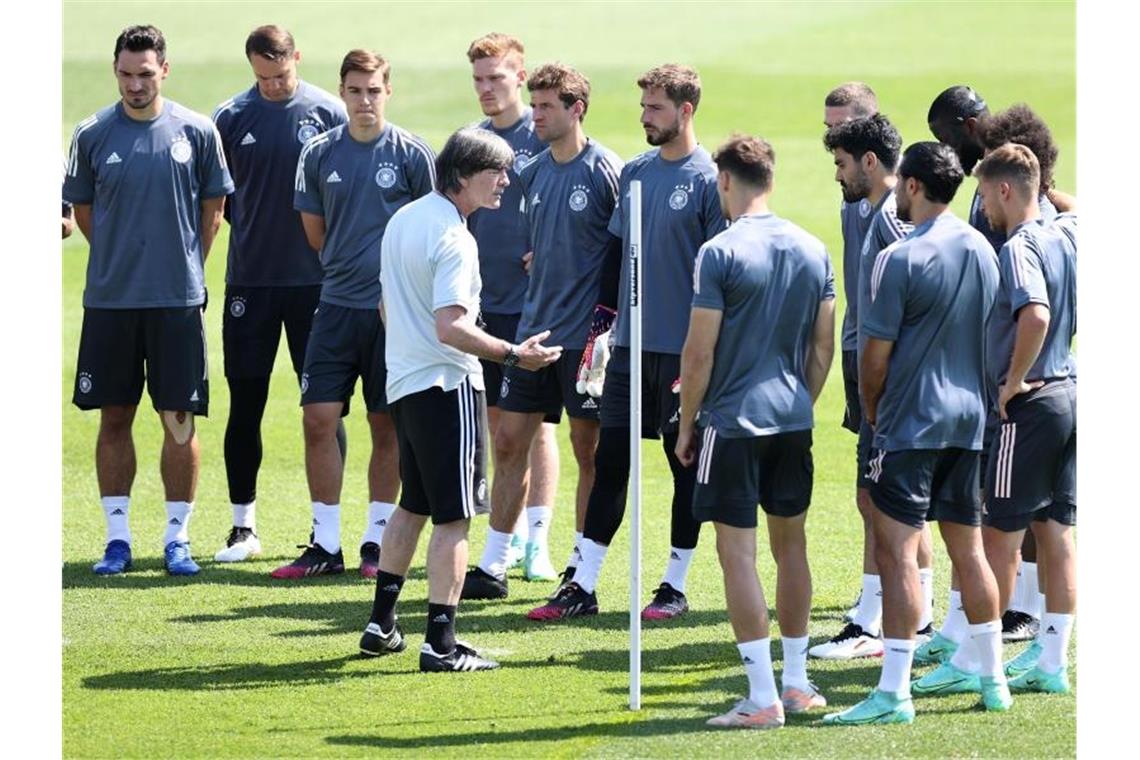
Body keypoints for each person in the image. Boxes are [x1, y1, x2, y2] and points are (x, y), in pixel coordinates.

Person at [526, 64, 726, 621]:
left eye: (655, 108)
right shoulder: (635, 173)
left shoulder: (709, 179)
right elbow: (615, 254)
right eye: (643, 107)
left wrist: (705, 352)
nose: (644, 117)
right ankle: (582, 584)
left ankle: (674, 586)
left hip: (683, 353)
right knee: (611, 459)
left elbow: (720, 273)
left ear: (685, 112)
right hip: (630, 350)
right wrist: (602, 327)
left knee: (681, 461)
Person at [359, 127, 561, 672]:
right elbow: (451, 327)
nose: (506, 181)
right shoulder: (455, 237)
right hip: (447, 386)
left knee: (414, 504)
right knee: (455, 519)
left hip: (402, 383)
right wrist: (515, 354)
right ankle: (440, 645)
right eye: (497, 171)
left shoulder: (405, 220)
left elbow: (385, 307)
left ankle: (382, 624)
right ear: (466, 174)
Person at [824, 142, 1008, 725]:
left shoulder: (897, 258)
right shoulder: (983, 249)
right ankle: (994, 680)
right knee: (970, 551)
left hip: (911, 423)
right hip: (968, 423)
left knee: (897, 552)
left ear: (912, 187)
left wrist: (875, 414)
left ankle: (894, 693)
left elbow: (872, 359)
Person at [676, 133, 835, 728]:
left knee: (735, 554)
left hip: (732, 424)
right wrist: (800, 402)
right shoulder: (814, 248)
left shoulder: (718, 252)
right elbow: (822, 346)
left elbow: (698, 354)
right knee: (790, 547)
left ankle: (762, 697)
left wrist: (687, 424)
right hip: (792, 420)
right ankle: (796, 683)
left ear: (724, 181)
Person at [63, 24, 233, 576]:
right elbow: (84, 213)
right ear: (115, 71)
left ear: (165, 69)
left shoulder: (198, 131)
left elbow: (213, 214)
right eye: (126, 74)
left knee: (178, 417)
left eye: (145, 73)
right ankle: (117, 540)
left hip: (177, 302)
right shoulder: (90, 135)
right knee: (115, 415)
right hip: (111, 302)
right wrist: (120, 257)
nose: (135, 84)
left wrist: (182, 267)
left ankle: (176, 539)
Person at [461, 62, 622, 600]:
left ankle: (581, 566)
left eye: (547, 106)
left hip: (584, 341)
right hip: (534, 331)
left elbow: (622, 252)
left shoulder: (606, 171)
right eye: (535, 104)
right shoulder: (529, 171)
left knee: (587, 447)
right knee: (508, 441)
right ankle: (493, 563)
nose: (536, 114)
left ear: (576, 109)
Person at [274, 49, 435, 579]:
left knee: (385, 423)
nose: (365, 100)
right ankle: (324, 543)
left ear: (388, 91)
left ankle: (374, 542)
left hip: (395, 314)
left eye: (373, 90)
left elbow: (432, 233)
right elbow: (315, 233)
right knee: (318, 418)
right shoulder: (319, 154)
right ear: (341, 92)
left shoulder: (413, 155)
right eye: (355, 90)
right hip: (336, 306)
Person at [210, 25, 349, 565]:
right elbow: (216, 201)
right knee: (246, 404)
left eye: (280, 75)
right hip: (250, 282)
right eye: (262, 76)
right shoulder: (229, 117)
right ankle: (242, 528)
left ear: (297, 59)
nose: (271, 85)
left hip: (318, 286)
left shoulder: (330, 112)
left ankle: (326, 531)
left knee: (324, 409)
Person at [928, 88, 1060, 644]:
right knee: (1040, 512)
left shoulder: (1015, 217)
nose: (949, 153)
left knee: (1006, 511)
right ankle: (1028, 623)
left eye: (946, 138)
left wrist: (1009, 380)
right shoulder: (1053, 214)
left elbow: (1032, 310)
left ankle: (994, 629)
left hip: (1016, 374)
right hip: (1040, 372)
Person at [812, 114, 935, 659]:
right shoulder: (875, 211)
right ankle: (913, 618)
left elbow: (910, 307)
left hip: (889, 386)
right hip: (882, 378)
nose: (837, 175)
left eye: (841, 164)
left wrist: (881, 390)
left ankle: (880, 624)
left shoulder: (889, 220)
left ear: (868, 162)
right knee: (884, 502)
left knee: (883, 501)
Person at [974, 144, 1076, 694]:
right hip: (1071, 391)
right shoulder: (1070, 232)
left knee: (999, 539)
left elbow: (1034, 313)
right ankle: (1052, 664)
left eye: (987, 194)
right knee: (1057, 534)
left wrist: (1012, 380)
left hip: (1031, 406)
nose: (984, 207)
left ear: (1006, 191)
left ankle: (978, 663)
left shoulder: (1020, 245)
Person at [465, 33, 560, 581]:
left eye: (496, 78)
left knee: (537, 427)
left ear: (519, 77)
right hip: (483, 304)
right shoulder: (469, 141)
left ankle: (538, 543)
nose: (486, 89)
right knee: (499, 426)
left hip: (535, 307)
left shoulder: (544, 133)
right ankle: (514, 529)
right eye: (478, 79)